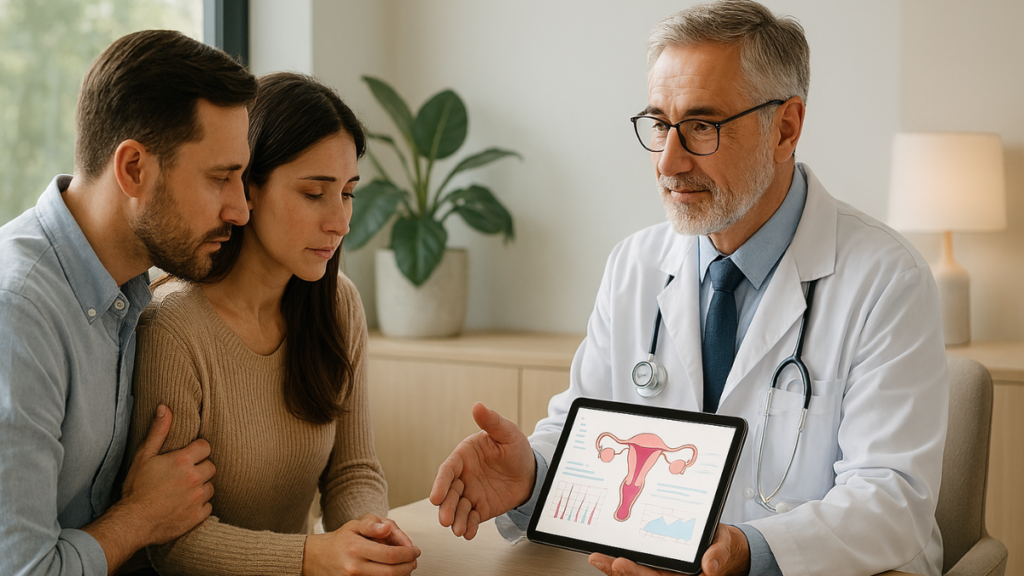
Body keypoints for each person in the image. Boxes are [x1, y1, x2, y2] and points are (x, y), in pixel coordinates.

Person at [429, 2, 948, 576]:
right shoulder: (635, 265)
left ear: (786, 127)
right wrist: (530, 474)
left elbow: (892, 498)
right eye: (659, 124)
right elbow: (588, 435)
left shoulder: (885, 279)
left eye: (702, 126)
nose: (669, 161)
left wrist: (748, 553)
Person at [124, 72, 421, 576]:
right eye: (314, 193)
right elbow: (170, 544)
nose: (341, 221)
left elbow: (353, 470)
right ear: (248, 188)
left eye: (348, 193)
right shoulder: (173, 329)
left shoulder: (338, 304)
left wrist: (368, 536)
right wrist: (313, 556)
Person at [0, 30, 257, 576]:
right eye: (221, 178)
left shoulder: (133, 292)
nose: (240, 209)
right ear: (134, 169)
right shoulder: (17, 313)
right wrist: (139, 518)